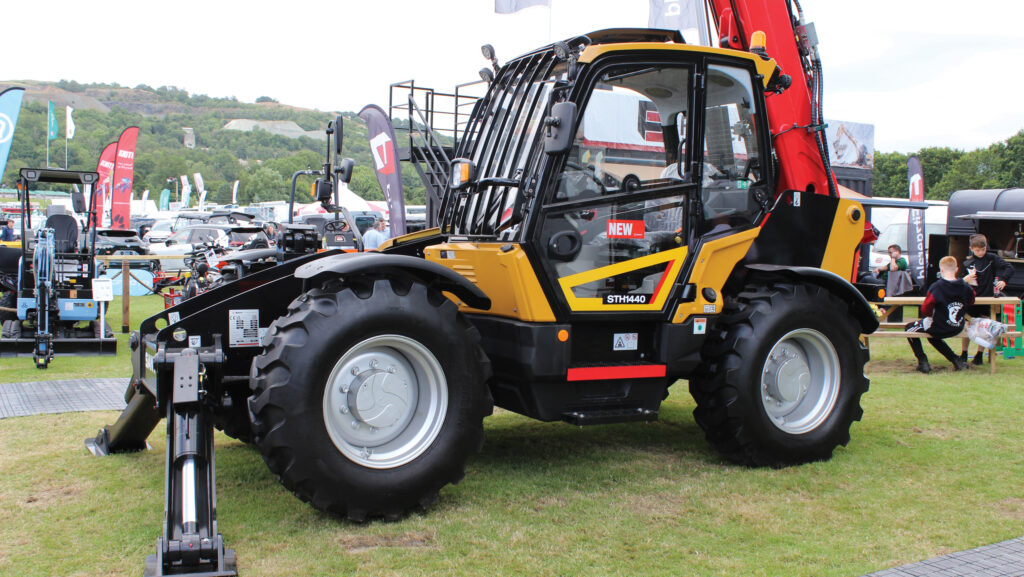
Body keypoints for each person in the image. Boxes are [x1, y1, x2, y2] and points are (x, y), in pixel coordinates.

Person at [906, 255, 975, 374]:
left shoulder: (936, 287)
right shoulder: (967, 288)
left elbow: (925, 310)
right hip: (957, 326)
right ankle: (955, 359)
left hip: (938, 326)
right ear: (956, 269)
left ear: (941, 270)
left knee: (909, 328)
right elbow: (971, 301)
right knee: (933, 337)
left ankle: (923, 361)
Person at [962, 233, 1015, 365]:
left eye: (983, 249)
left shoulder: (991, 259)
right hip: (972, 300)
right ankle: (963, 353)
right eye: (977, 250)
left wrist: (1003, 280)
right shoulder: (967, 263)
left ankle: (979, 354)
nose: (980, 253)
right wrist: (967, 279)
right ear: (971, 248)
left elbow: (1009, 268)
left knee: (985, 327)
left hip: (987, 298)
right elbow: (961, 282)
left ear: (986, 248)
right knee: (968, 326)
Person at [876, 244, 910, 321]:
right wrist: (877, 269)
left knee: (866, 279)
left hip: (889, 283)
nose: (889, 255)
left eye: (891, 252)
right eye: (889, 253)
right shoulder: (893, 261)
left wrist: (893, 258)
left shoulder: (901, 261)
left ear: (897, 252)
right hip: (883, 281)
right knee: (866, 277)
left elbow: (892, 269)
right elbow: (885, 267)